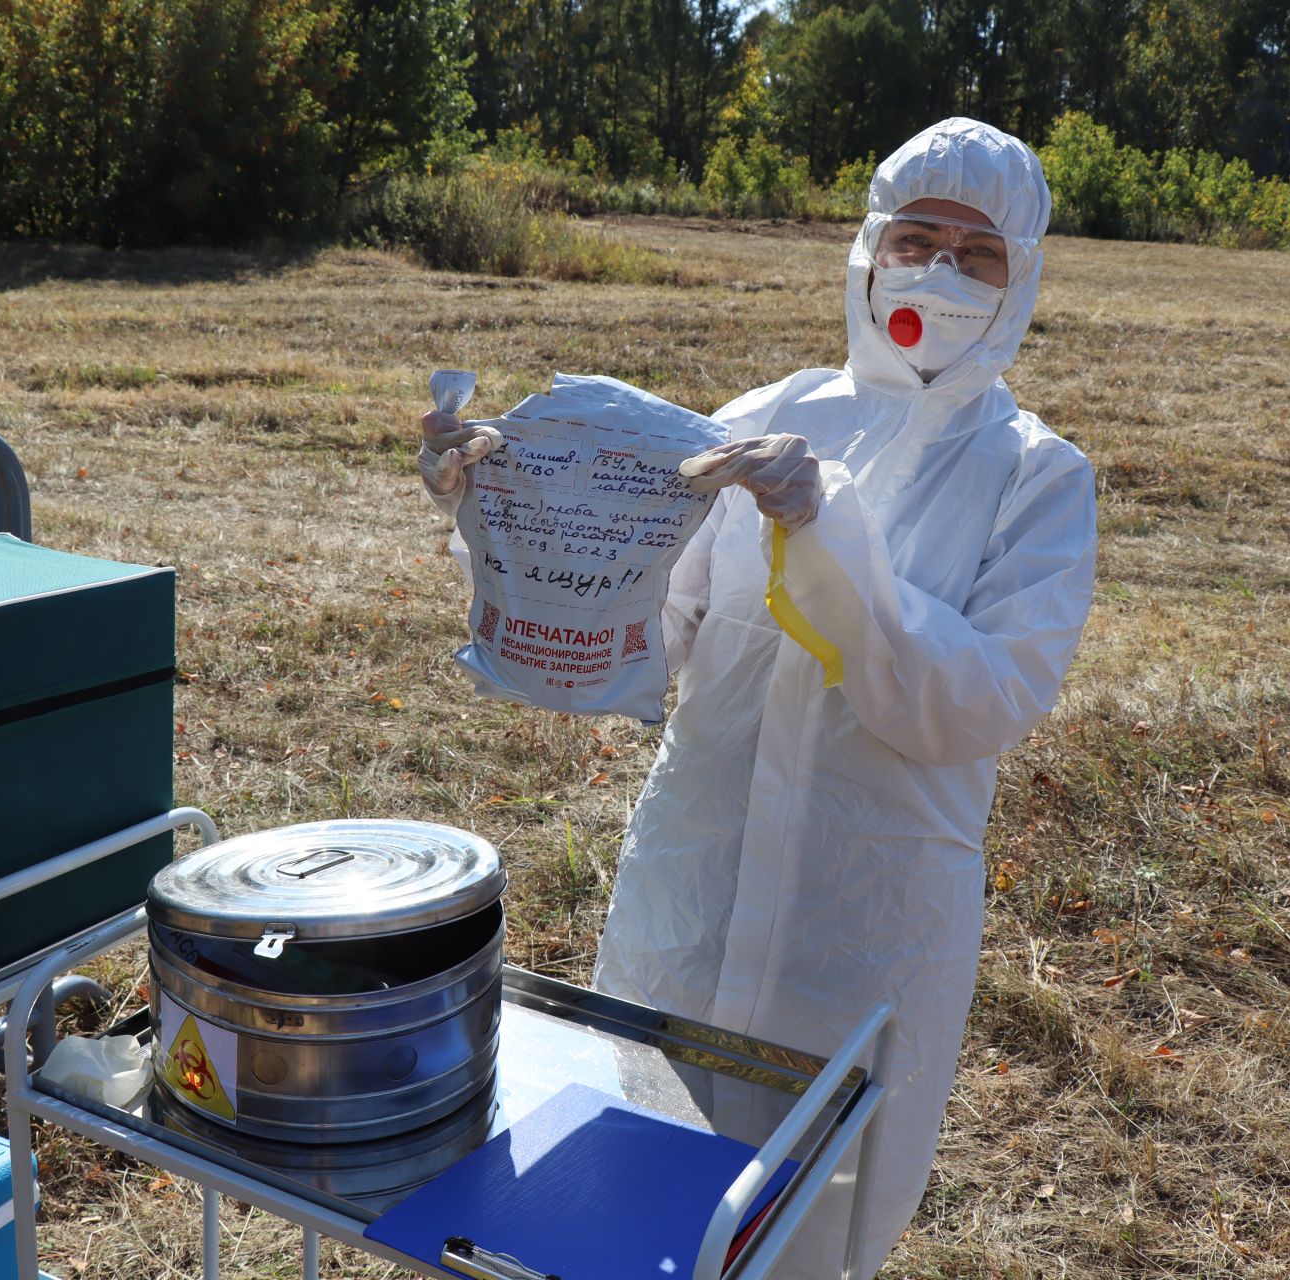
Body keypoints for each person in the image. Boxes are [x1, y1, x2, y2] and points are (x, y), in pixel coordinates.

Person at [418, 117, 1096, 1279]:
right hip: (692, 888)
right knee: (630, 1193)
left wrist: (825, 527)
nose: (936, 269)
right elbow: (648, 632)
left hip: (861, 933)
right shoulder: (761, 416)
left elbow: (973, 702)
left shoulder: (1036, 476)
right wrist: (507, 518)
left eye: (974, 252)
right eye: (914, 236)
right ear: (867, 249)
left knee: (804, 1226)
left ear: (1022, 271)